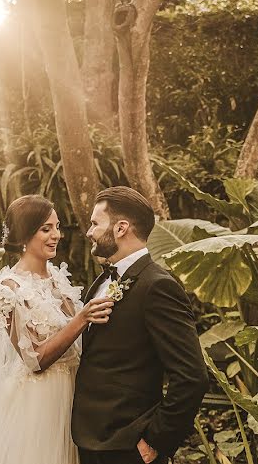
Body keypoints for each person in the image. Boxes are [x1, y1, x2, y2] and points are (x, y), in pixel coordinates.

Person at [0, 194, 114, 464]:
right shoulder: (8, 291)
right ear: (25, 234)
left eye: (57, 227)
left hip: (74, 391)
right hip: (38, 402)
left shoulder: (58, 277)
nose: (56, 235)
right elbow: (35, 359)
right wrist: (81, 318)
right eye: (46, 229)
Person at [72, 186, 209, 464]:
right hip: (89, 440)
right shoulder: (102, 281)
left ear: (121, 228)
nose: (89, 231)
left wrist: (155, 441)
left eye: (95, 223)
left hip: (129, 447)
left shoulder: (158, 286)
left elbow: (192, 376)